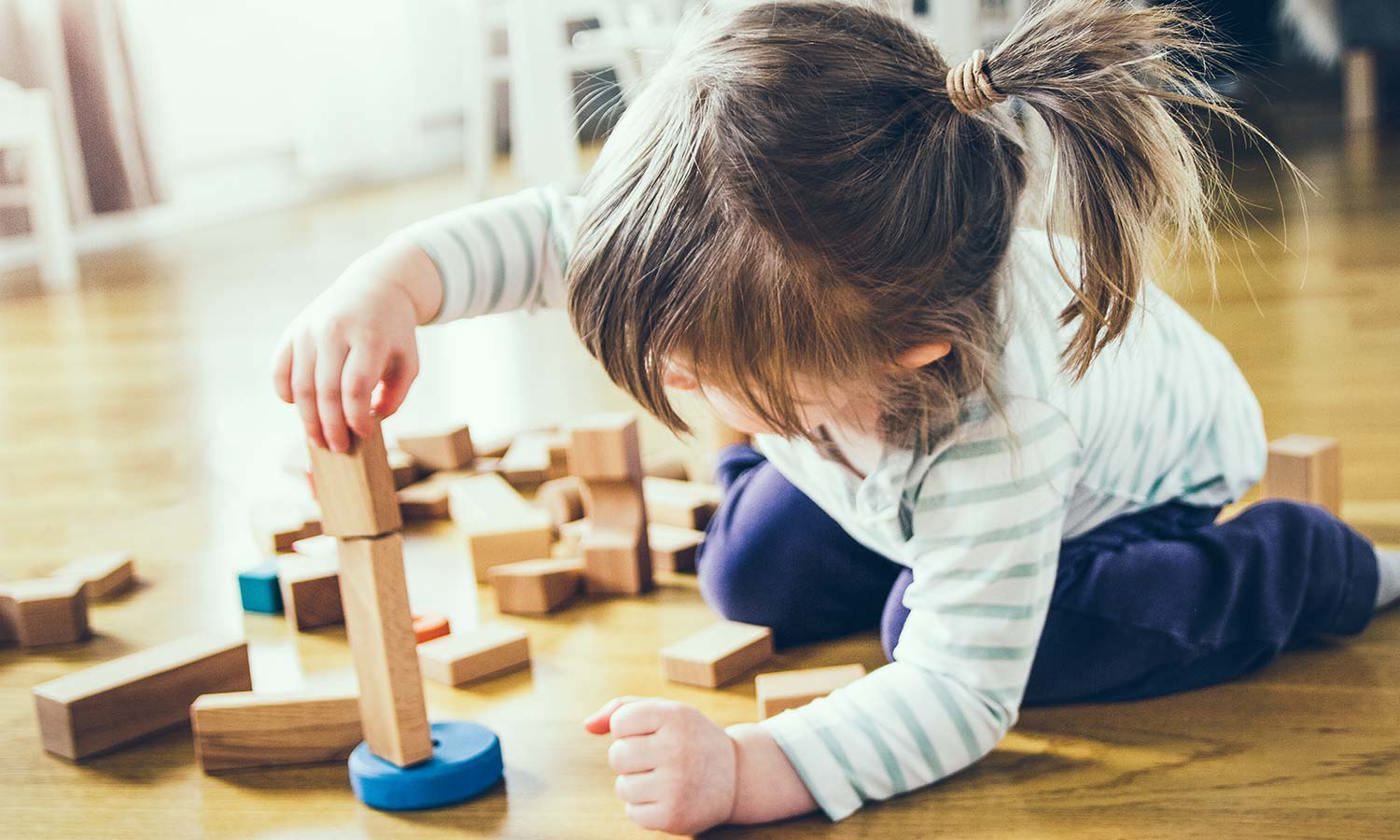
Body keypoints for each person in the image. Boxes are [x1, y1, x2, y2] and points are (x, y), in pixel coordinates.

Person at [272, 1, 1400, 834]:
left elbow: (959, 695)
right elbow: (542, 239)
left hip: (1123, 499)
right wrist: (387, 287)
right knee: (745, 576)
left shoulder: (998, 436)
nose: (665, 389)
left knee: (938, 633)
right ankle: (835, 493)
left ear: (905, 356)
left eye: (698, 373)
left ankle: (1299, 568)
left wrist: (747, 769)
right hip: (870, 457)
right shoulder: (733, 266)